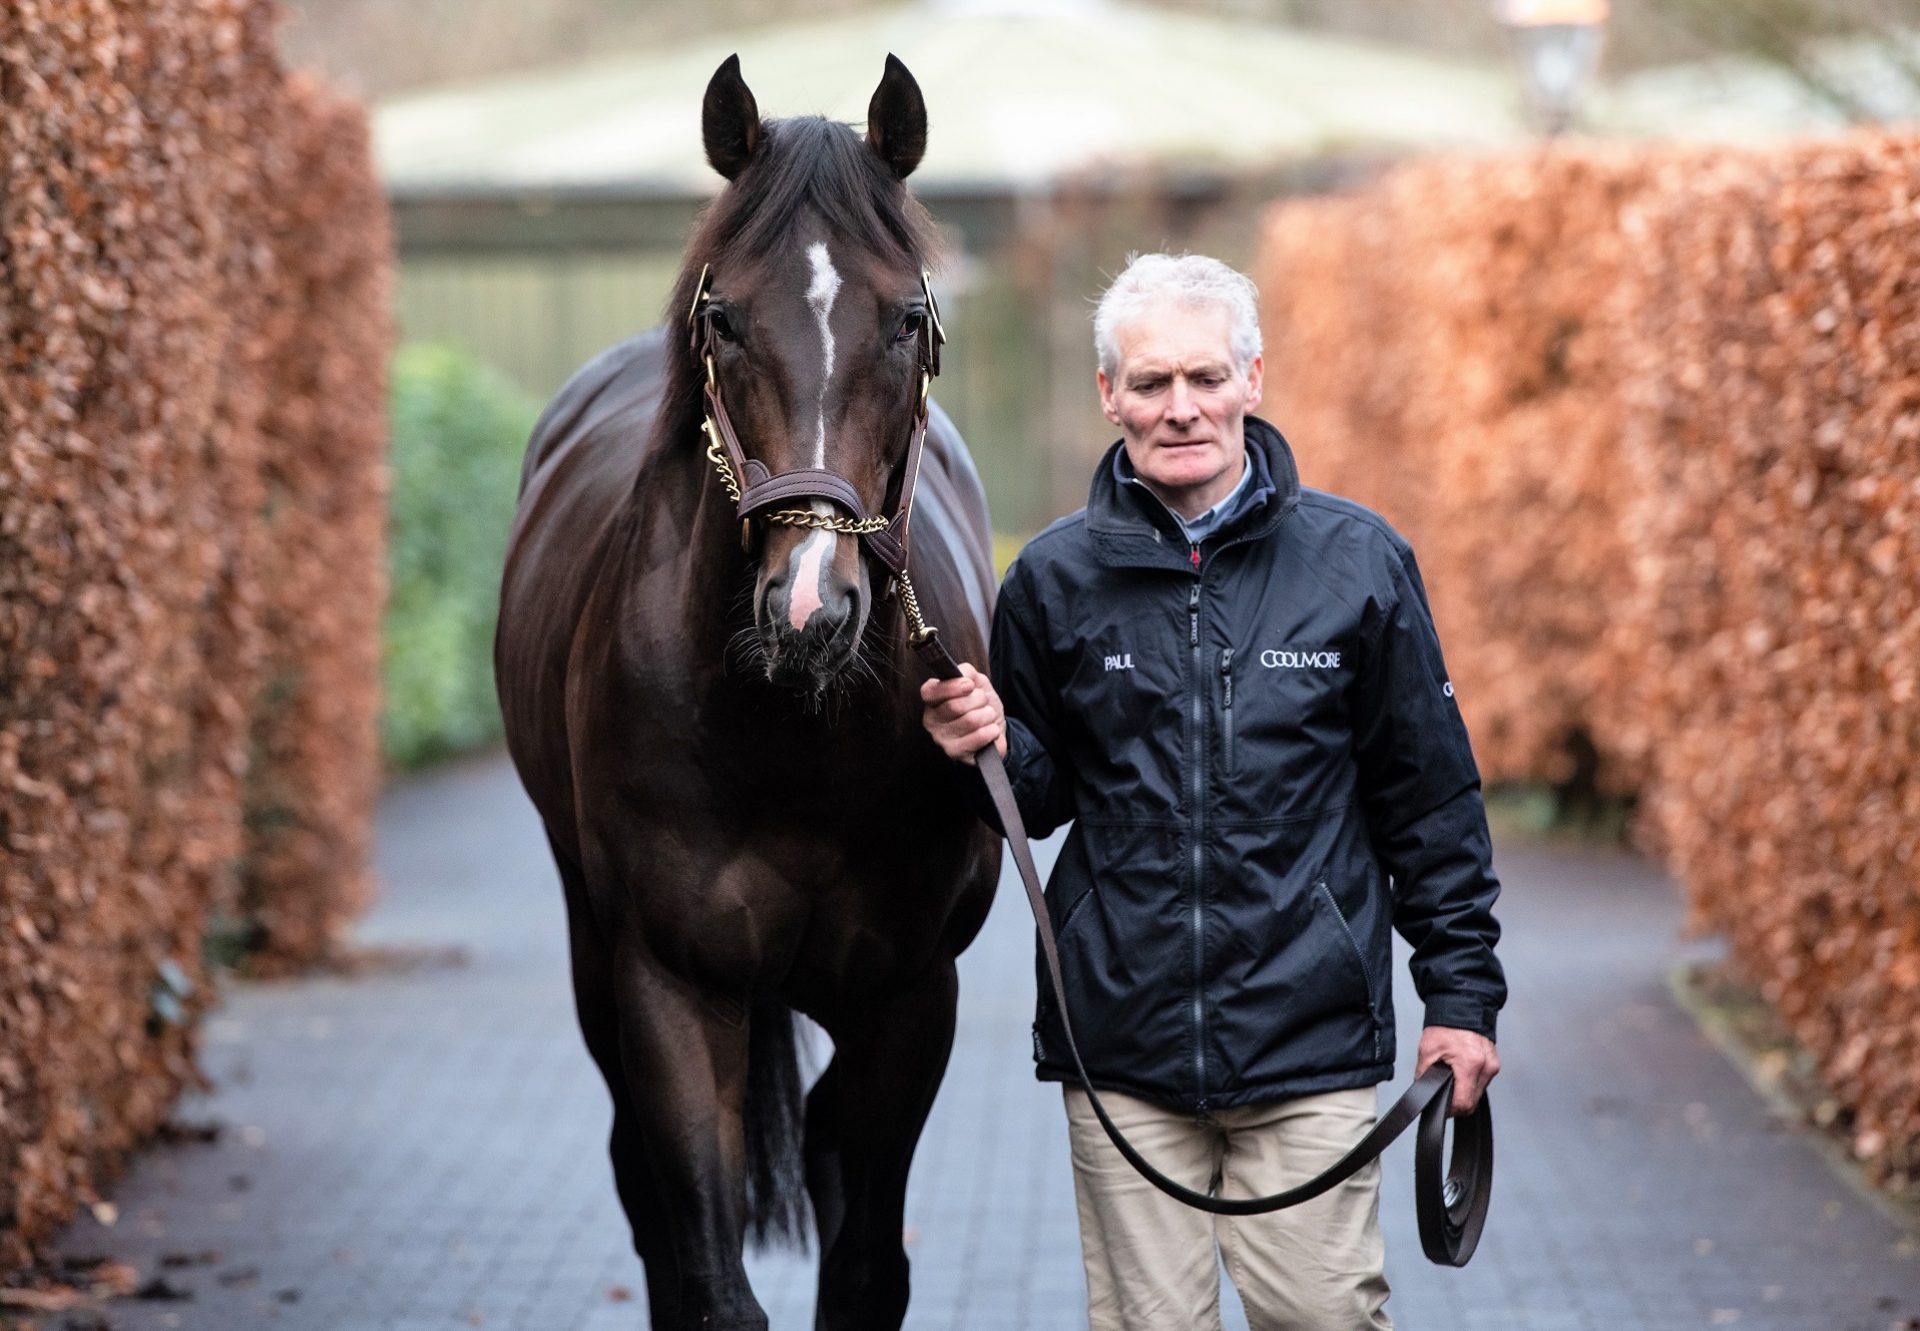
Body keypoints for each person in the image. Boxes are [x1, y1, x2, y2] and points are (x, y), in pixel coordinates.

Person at [918, 253, 1506, 1331]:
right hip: (1123, 1048)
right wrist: (981, 747)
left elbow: (1430, 803)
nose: (1178, 407)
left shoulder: (1359, 562)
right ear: (1110, 396)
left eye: (1203, 376)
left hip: (1309, 1039)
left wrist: (1462, 1002)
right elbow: (1036, 802)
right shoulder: (1051, 581)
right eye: (1149, 383)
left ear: (1252, 378)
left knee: (1324, 1315)